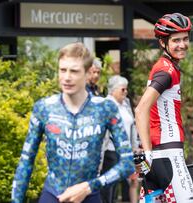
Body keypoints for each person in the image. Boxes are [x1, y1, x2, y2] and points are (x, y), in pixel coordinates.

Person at [11, 42, 134, 203]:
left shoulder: (105, 108)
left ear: (88, 73)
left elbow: (127, 163)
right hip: (53, 194)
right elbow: (26, 162)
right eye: (63, 70)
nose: (67, 77)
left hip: (90, 195)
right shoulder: (44, 108)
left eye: (74, 71)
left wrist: (90, 186)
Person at [135, 13, 193, 203]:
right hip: (168, 153)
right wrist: (147, 153)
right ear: (163, 43)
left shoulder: (164, 66)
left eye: (185, 39)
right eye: (176, 40)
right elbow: (141, 109)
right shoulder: (167, 71)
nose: (182, 44)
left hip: (159, 153)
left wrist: (148, 155)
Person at [100, 75, 140, 203]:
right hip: (110, 150)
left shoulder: (125, 104)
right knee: (108, 185)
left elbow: (132, 126)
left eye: (126, 89)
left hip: (124, 151)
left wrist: (135, 146)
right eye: (123, 89)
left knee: (118, 185)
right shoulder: (106, 104)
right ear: (113, 90)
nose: (126, 92)